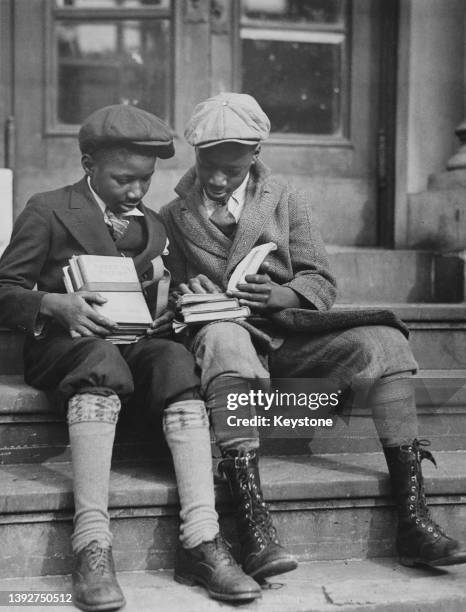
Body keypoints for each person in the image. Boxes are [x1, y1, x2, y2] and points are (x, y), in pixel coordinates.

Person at [160, 92, 466, 573]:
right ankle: (254, 529)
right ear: (195, 153)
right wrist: (188, 291)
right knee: (223, 338)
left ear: (256, 155)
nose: (218, 179)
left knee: (385, 343)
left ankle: (413, 518)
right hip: (228, 349)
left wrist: (284, 295)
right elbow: (174, 298)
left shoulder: (286, 199)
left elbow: (320, 279)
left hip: (290, 338)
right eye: (207, 166)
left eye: (231, 169)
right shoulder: (173, 216)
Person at [0, 104, 263, 610]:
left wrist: (176, 307)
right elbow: (5, 289)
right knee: (101, 358)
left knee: (173, 361)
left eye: (146, 180)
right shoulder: (47, 208)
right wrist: (54, 303)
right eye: (124, 180)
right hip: (66, 346)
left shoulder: (156, 227)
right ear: (87, 164)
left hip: (132, 344)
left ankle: (202, 539)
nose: (137, 192)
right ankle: (92, 545)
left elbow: (165, 293)